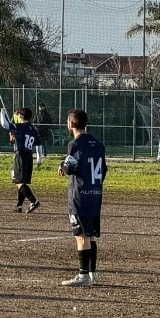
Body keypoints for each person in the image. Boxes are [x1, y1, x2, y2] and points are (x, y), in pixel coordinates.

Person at [59, 108, 106, 287]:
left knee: (81, 235)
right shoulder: (98, 144)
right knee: (90, 235)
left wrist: (62, 166)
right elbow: (104, 170)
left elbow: (69, 167)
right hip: (95, 194)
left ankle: (82, 275)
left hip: (80, 196)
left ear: (71, 124)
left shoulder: (75, 144)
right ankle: (93, 273)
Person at [0, 106, 41, 213]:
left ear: (22, 116)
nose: (17, 116)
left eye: (18, 114)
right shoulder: (32, 128)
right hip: (29, 157)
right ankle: (19, 206)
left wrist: (2, 112)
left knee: (18, 181)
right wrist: (39, 159)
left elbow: (4, 124)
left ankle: (34, 200)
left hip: (20, 156)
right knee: (22, 182)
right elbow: (39, 144)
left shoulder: (19, 126)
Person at [35, 103, 55, 167]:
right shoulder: (37, 114)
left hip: (45, 131)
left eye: (41, 107)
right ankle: (40, 156)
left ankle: (45, 152)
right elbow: (34, 121)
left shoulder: (46, 114)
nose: (40, 108)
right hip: (39, 130)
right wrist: (36, 127)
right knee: (39, 142)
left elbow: (50, 122)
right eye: (40, 107)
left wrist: (47, 127)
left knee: (44, 142)